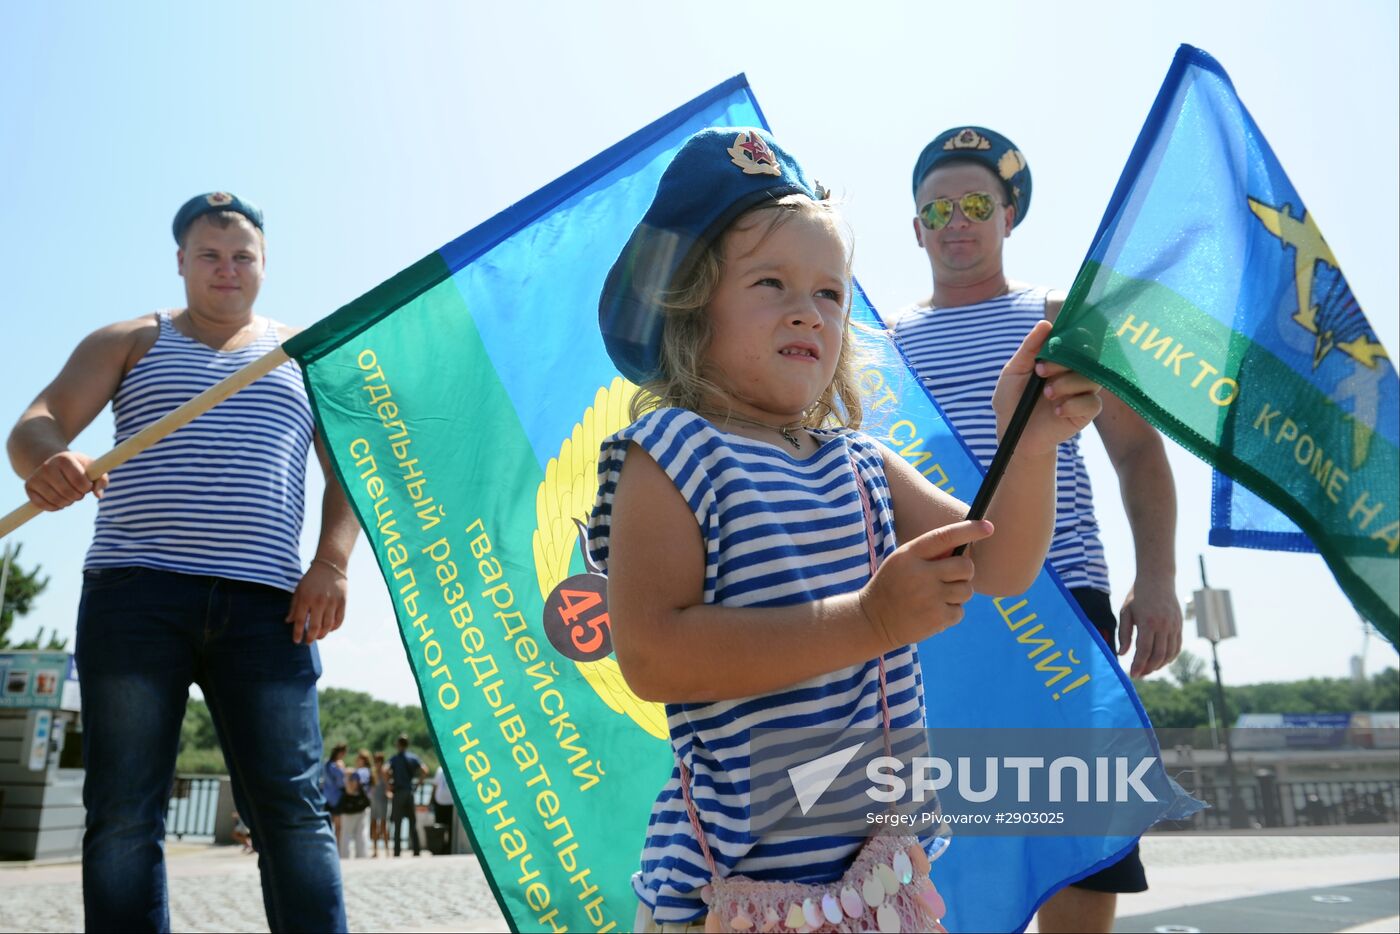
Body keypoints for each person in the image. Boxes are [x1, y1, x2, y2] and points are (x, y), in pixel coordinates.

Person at [589, 127, 1102, 931]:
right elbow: (653, 655)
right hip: (733, 893)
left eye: (830, 293)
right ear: (690, 306)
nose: (809, 311)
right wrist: (870, 621)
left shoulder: (861, 460)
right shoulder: (668, 453)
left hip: (880, 880)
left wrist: (1028, 445)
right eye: (771, 283)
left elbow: (997, 563)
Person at [6, 192, 358, 932]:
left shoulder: (306, 354)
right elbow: (35, 425)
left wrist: (331, 563)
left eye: (241, 256)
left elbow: (350, 474)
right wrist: (50, 459)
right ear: (181, 262)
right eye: (209, 254)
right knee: (125, 812)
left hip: (268, 607)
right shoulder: (131, 339)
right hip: (135, 596)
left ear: (264, 265)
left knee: (292, 811)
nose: (226, 269)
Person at [893, 127, 1184, 933]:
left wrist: (1155, 578)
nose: (957, 221)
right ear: (915, 228)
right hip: (933, 613)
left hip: (1058, 612)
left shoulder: (1061, 320)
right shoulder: (878, 351)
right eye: (937, 208)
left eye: (975, 204)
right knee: (937, 850)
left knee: (1079, 835)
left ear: (1008, 215)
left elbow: (1138, 453)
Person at [387, 734, 427, 857]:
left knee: (397, 823)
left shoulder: (394, 758)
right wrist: (418, 784)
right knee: (412, 823)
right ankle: (416, 850)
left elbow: (384, 770)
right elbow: (425, 770)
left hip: (398, 793)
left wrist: (388, 784)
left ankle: (397, 851)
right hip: (409, 793)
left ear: (398, 744)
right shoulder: (413, 758)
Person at [336, 752, 372, 859]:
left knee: (346, 835)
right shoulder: (368, 772)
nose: (356, 761)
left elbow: (351, 790)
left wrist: (346, 776)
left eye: (358, 759)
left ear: (362, 760)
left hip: (351, 808)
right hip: (363, 807)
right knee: (361, 834)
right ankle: (362, 857)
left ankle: (344, 857)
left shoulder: (357, 773)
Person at [323, 742, 348, 842]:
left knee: (328, 826)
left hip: (326, 797)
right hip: (337, 798)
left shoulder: (326, 763)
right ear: (341, 753)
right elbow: (341, 783)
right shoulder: (337, 765)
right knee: (338, 827)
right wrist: (343, 769)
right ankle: (336, 849)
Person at [369, 750, 391, 857]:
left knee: (383, 825)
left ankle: (387, 850)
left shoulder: (384, 771)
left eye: (379, 761)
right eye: (376, 761)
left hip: (382, 799)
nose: (377, 763)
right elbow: (371, 786)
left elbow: (387, 786)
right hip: (374, 799)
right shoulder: (372, 772)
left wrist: (389, 792)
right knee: (373, 825)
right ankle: (375, 850)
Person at [431, 765, 454, 854]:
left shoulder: (451, 769)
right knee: (440, 827)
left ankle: (448, 848)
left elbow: (434, 786)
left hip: (449, 803)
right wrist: (431, 800)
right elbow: (435, 786)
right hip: (440, 801)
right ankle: (440, 848)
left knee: (449, 828)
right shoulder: (440, 769)